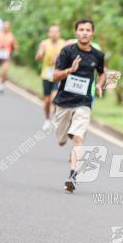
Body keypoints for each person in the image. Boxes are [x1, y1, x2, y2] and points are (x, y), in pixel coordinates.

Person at [51, 19, 106, 192]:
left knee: (78, 139)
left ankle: (73, 175)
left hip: (84, 102)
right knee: (60, 140)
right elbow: (54, 76)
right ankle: (66, 131)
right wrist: (69, 70)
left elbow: (102, 73)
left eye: (88, 30)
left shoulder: (98, 55)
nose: (84, 32)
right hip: (64, 101)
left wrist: (99, 84)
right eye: (81, 30)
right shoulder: (67, 51)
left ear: (92, 33)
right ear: (76, 33)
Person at [35, 24, 66, 130]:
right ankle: (47, 119)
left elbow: (68, 59)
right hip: (46, 75)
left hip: (58, 75)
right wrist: (40, 54)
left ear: (59, 33)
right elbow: (38, 58)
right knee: (47, 100)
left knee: (55, 97)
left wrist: (59, 60)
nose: (54, 34)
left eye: (56, 32)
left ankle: (56, 119)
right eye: (52, 32)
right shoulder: (44, 43)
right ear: (49, 33)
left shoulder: (63, 44)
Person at [0, 20, 18, 94]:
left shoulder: (11, 36)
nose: (5, 28)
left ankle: (1, 85)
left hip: (6, 56)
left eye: (7, 27)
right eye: (4, 26)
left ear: (9, 28)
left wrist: (13, 48)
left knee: (5, 71)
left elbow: (16, 46)